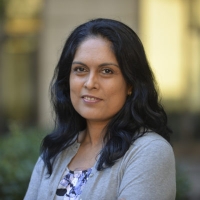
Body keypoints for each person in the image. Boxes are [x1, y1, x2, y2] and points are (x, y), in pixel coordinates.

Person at [24, 18, 176, 200]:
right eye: (80, 69)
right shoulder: (56, 150)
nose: (90, 83)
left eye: (107, 71)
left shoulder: (149, 151)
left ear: (131, 83)